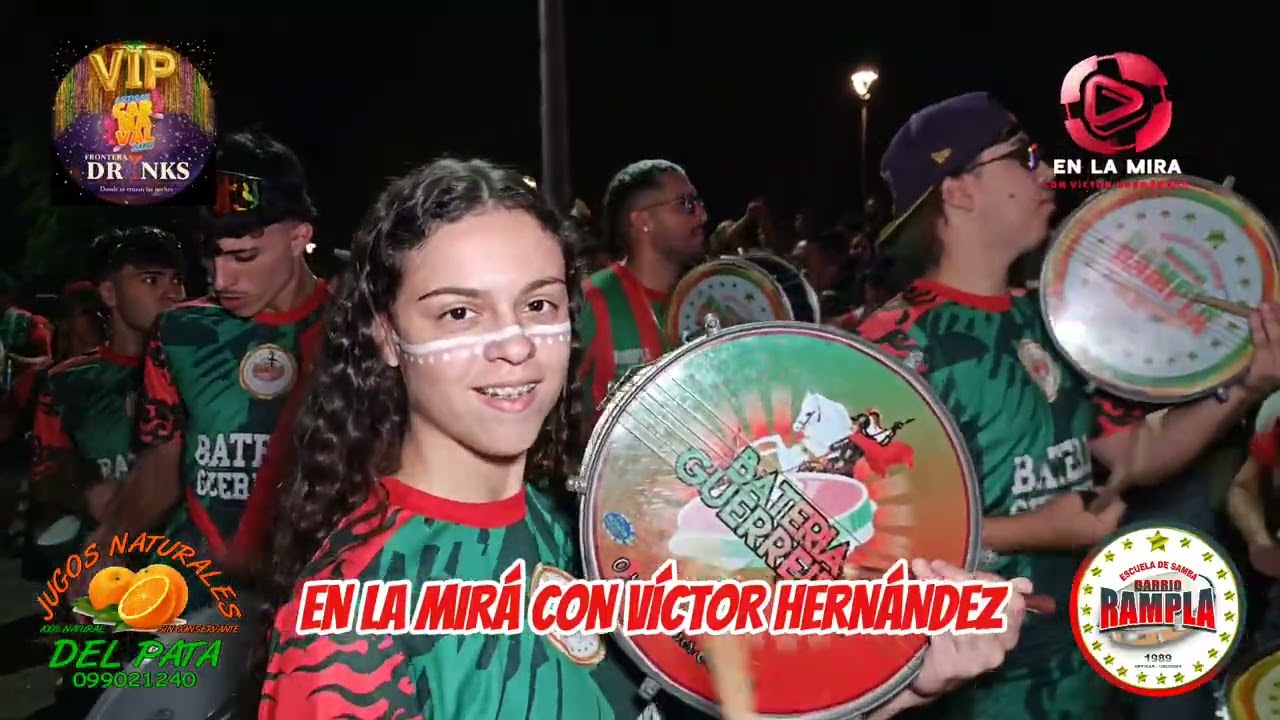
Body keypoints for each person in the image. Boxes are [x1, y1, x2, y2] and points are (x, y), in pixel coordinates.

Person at [254, 158, 1033, 720]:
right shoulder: (350, 612)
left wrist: (907, 683)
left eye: (538, 304)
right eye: (459, 313)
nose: (515, 344)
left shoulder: (585, 529)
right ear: (388, 337)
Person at [848, 91, 1280, 719]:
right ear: (958, 190)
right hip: (964, 679)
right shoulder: (886, 347)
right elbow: (854, 539)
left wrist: (1247, 384)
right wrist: (1038, 530)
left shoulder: (1055, 322)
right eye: (1022, 158)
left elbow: (1137, 452)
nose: (1048, 172)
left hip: (1081, 660)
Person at [86, 129, 329, 605]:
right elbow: (162, 461)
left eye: (244, 256)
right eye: (211, 256)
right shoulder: (181, 334)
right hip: (202, 587)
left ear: (299, 237)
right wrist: (105, 546)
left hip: (323, 596)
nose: (222, 279)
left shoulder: (360, 330)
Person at [26, 226, 186, 718]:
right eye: (151, 279)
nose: (172, 293)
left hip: (191, 586)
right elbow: (46, 472)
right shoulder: (69, 383)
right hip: (98, 590)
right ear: (110, 293)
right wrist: (87, 493)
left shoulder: (207, 372)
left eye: (177, 280)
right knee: (88, 703)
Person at [578, 160, 706, 424]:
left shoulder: (711, 298)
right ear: (643, 221)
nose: (702, 215)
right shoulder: (591, 302)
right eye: (685, 204)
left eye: (698, 202)